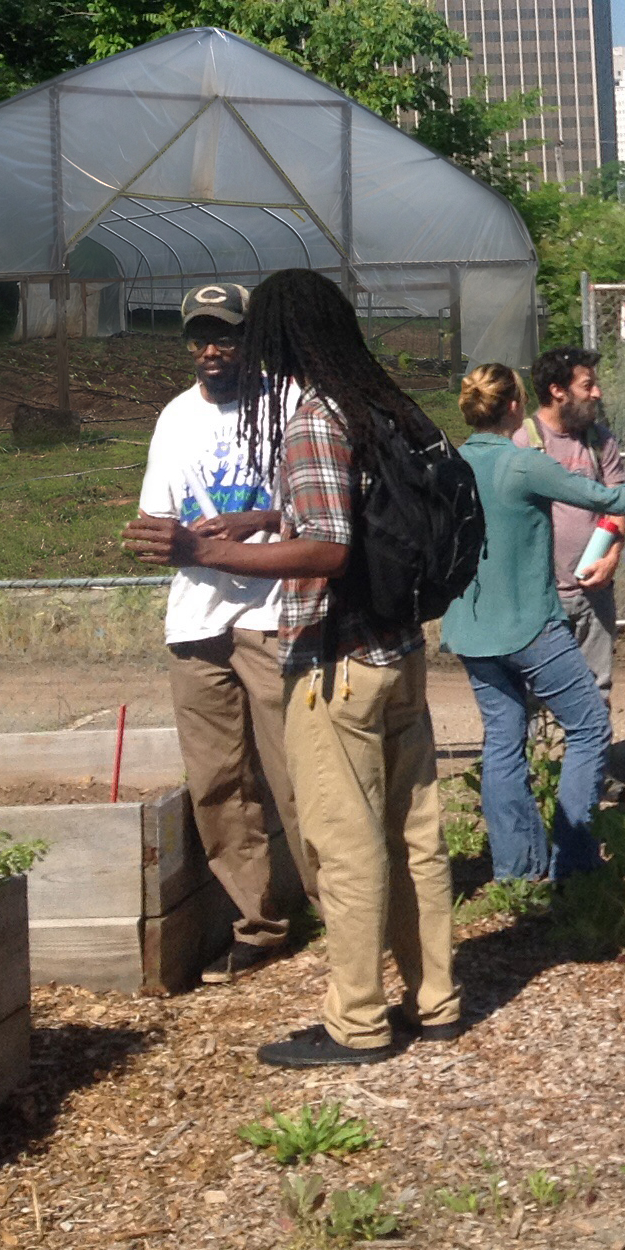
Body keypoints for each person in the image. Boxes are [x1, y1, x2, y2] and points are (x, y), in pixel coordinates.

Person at [124, 268, 458, 1068]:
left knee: (346, 843)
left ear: (278, 336)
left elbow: (332, 546)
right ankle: (436, 1000)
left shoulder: (311, 414)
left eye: (255, 332)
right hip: (399, 650)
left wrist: (205, 547)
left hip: (338, 660)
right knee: (416, 836)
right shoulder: (383, 403)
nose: (238, 347)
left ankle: (357, 1023)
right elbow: (354, 508)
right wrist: (268, 515)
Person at [447, 364, 625, 882]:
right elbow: (612, 500)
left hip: (470, 628)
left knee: (502, 740)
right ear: (515, 406)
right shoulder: (522, 464)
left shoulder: (449, 464)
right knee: (588, 727)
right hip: (530, 625)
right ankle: (574, 863)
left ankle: (517, 870)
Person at [134, 283, 308, 985]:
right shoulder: (174, 418)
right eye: (200, 338)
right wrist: (155, 541)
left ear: (252, 341)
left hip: (271, 611)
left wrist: (259, 519)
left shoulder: (291, 402)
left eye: (226, 337)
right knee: (217, 781)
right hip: (197, 619)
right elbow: (157, 515)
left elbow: (321, 503)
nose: (211, 350)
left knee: (298, 770)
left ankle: (341, 907)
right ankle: (259, 925)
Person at [511, 347, 625, 702]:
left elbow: (618, 503)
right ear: (557, 391)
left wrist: (612, 559)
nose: (597, 393)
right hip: (540, 597)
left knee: (596, 689)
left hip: (595, 591)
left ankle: (592, 758)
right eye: (587, 385)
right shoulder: (522, 443)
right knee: (533, 693)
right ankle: (538, 758)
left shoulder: (600, 441)